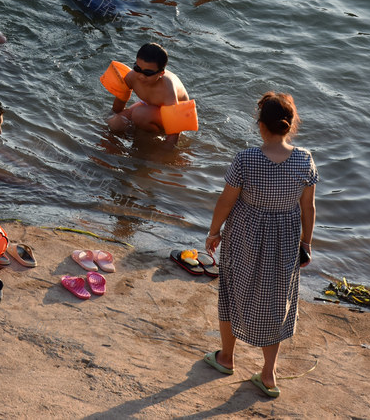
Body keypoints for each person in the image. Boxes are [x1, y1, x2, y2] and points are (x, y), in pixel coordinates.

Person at [203, 92, 317, 399]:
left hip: (244, 236)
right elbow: (308, 208)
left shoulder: (246, 159)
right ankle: (269, 374)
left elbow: (226, 201)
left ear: (260, 125)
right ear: (291, 125)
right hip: (286, 239)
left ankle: (226, 358)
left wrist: (214, 233)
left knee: (231, 290)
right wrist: (306, 243)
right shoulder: (305, 159)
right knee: (276, 301)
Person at [107, 42, 191, 146]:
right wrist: (110, 121)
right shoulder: (132, 77)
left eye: (148, 73)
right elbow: (118, 105)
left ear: (161, 73)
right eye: (137, 68)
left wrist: (167, 151)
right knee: (115, 123)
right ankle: (139, 133)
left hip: (177, 116)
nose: (141, 76)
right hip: (150, 107)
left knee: (139, 114)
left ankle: (149, 137)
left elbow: (175, 126)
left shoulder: (167, 88)